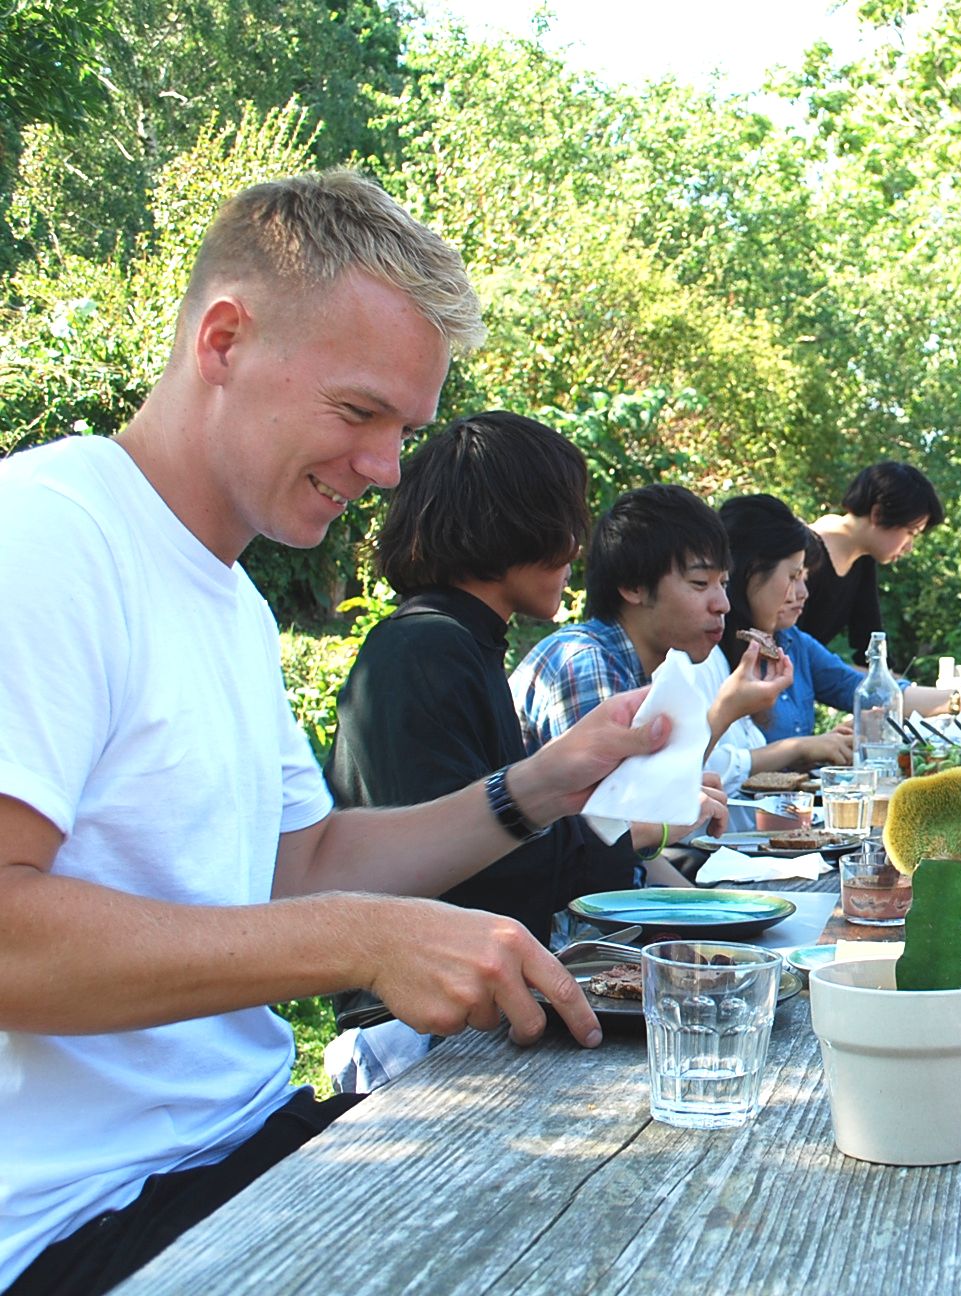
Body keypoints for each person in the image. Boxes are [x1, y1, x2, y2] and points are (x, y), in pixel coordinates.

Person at [0, 171, 665, 1296]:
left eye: (403, 428)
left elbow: (299, 864)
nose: (385, 470)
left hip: (242, 1148)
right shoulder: (47, 538)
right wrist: (364, 941)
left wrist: (542, 786)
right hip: (80, 1222)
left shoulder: (228, 600)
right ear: (223, 340)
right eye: (358, 413)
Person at [325, 413, 726, 946]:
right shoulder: (424, 651)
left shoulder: (465, 644)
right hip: (414, 1012)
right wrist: (641, 828)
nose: (575, 551)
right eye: (564, 522)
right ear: (508, 525)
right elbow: (465, 870)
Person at [511, 485, 851, 816]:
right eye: (700, 584)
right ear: (634, 586)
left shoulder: (661, 668)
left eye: (724, 584)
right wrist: (726, 712)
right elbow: (614, 830)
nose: (722, 605)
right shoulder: (586, 663)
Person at [719, 493, 961, 741]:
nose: (803, 593)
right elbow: (717, 766)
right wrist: (805, 748)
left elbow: (860, 688)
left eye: (805, 579)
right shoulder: (709, 653)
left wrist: (956, 700)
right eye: (794, 577)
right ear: (749, 572)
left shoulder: (794, 643)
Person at [795, 461, 945, 664]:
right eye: (910, 533)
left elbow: (871, 646)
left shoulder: (863, 559)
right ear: (878, 514)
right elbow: (790, 649)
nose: (909, 546)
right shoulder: (804, 553)